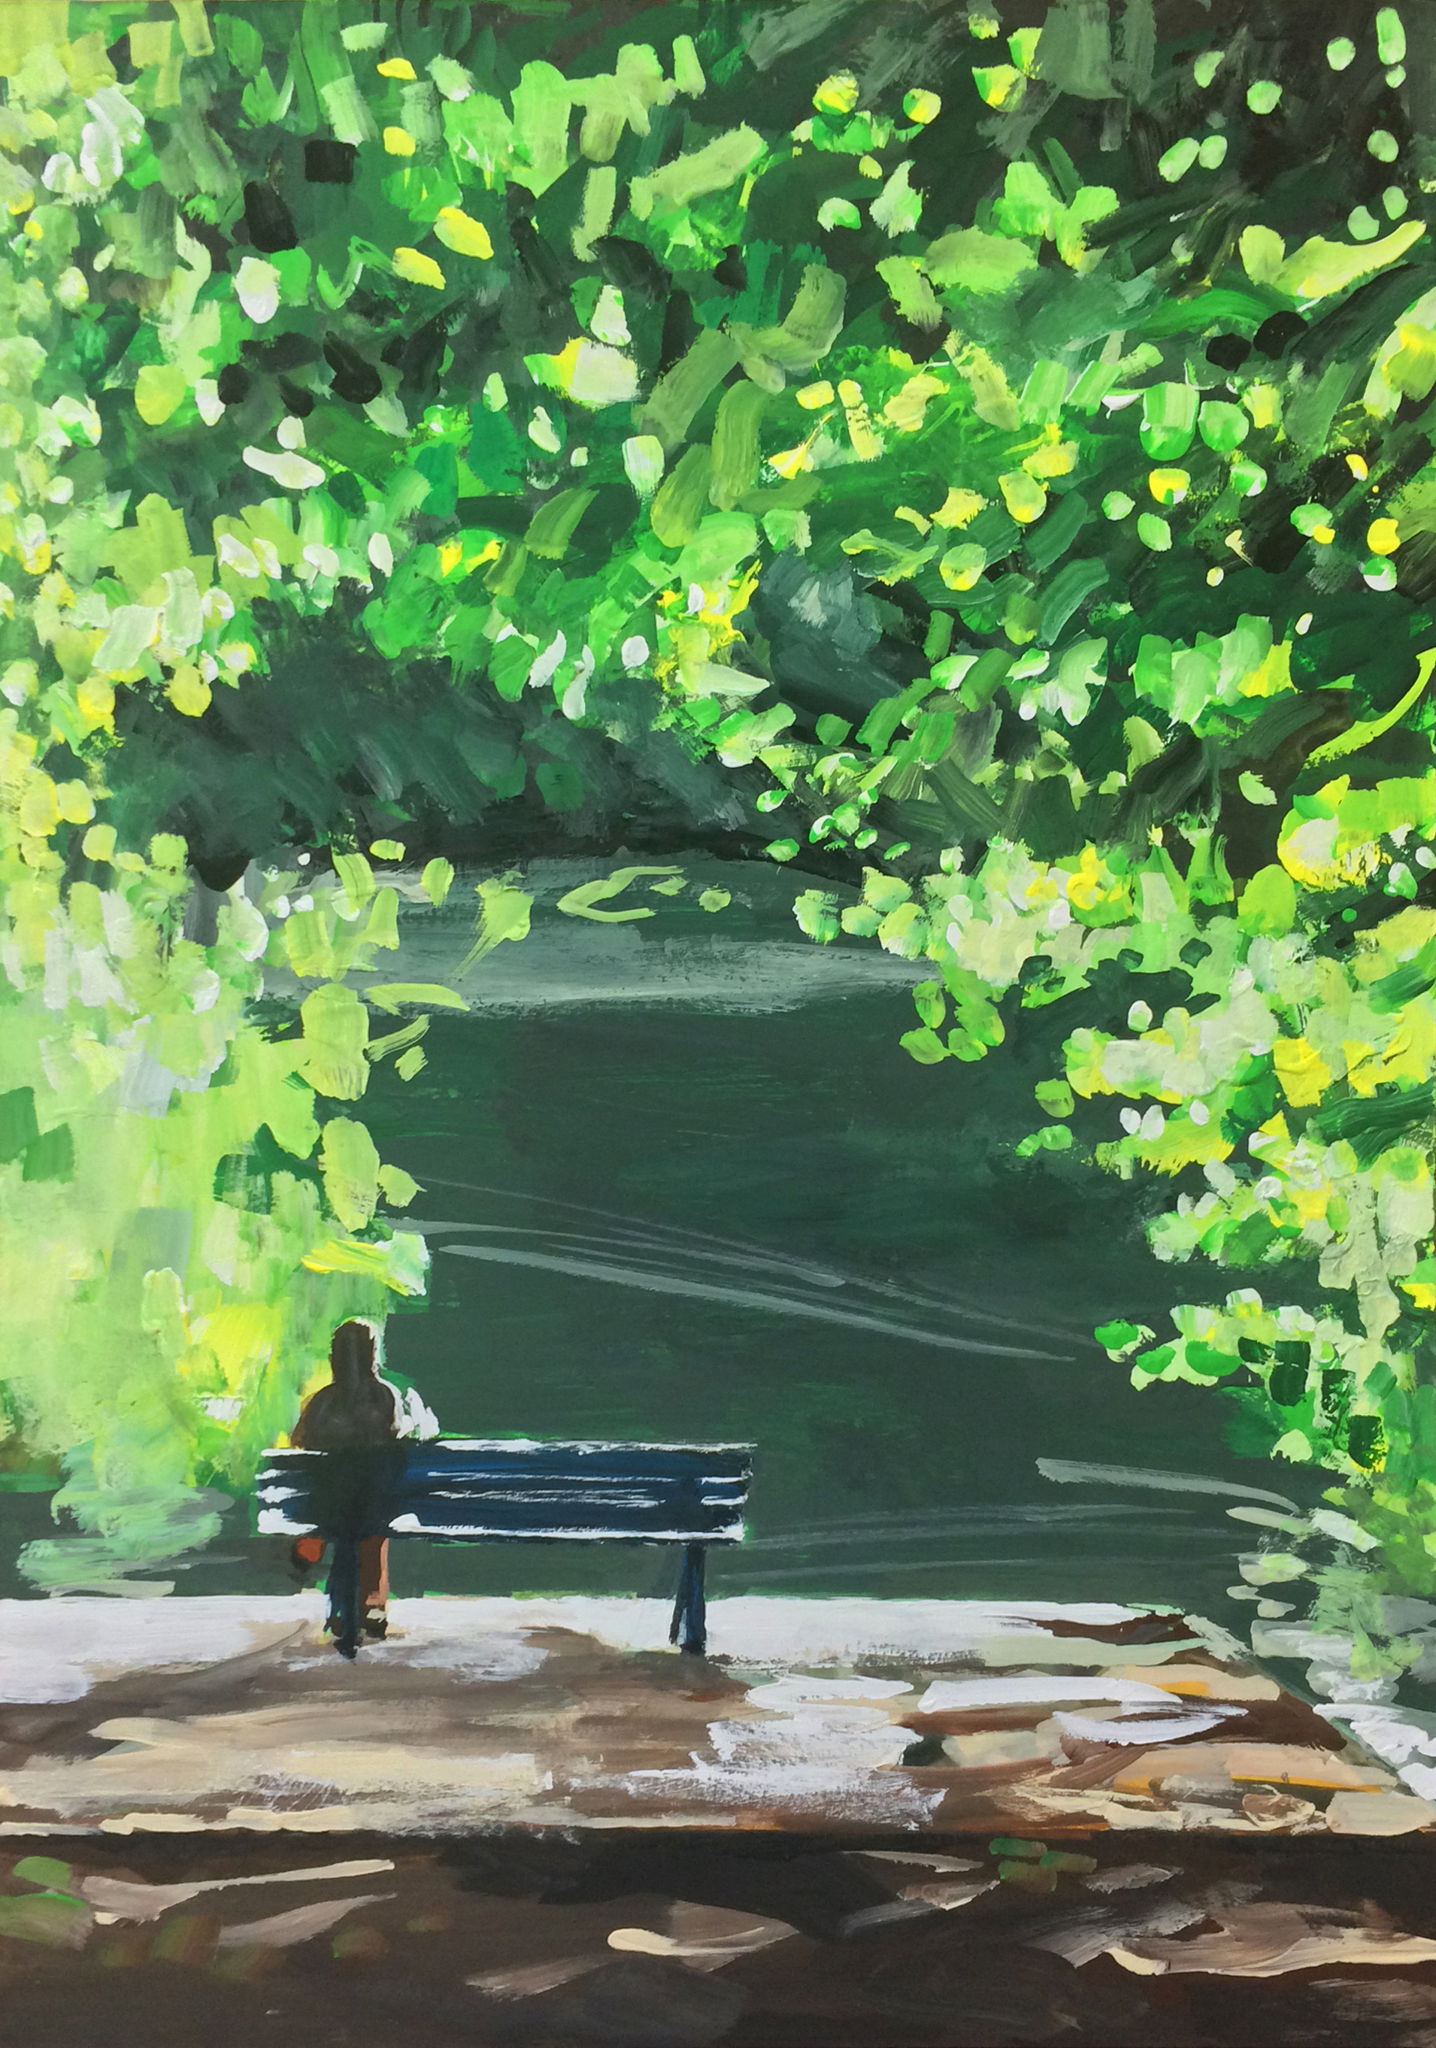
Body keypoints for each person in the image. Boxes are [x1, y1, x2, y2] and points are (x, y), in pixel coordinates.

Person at [289, 1318, 439, 1641]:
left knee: (339, 1506)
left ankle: (314, 1548)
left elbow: (299, 1440)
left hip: (331, 1507)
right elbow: (396, 1435)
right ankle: (373, 1605)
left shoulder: (322, 1402)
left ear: (334, 1357)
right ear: (373, 1355)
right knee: (374, 1525)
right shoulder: (385, 1396)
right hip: (373, 1506)